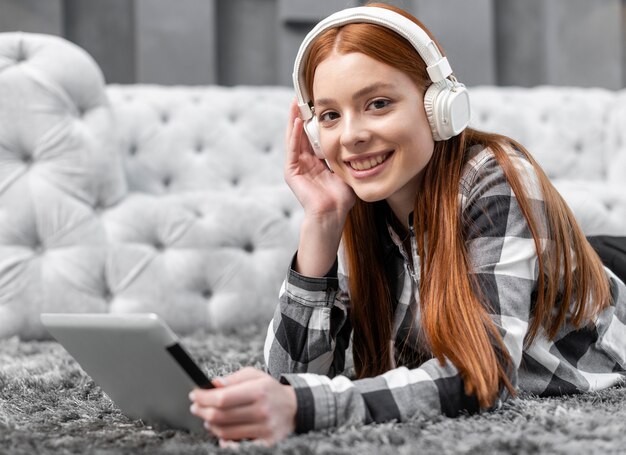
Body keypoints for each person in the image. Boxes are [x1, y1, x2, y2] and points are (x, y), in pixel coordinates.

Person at [189, 2, 626, 446]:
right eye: (330, 116)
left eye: (378, 104)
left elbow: (482, 374)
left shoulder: (496, 177)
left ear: (439, 106)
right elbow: (292, 377)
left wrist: (307, 409)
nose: (352, 135)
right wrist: (321, 220)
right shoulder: (362, 199)